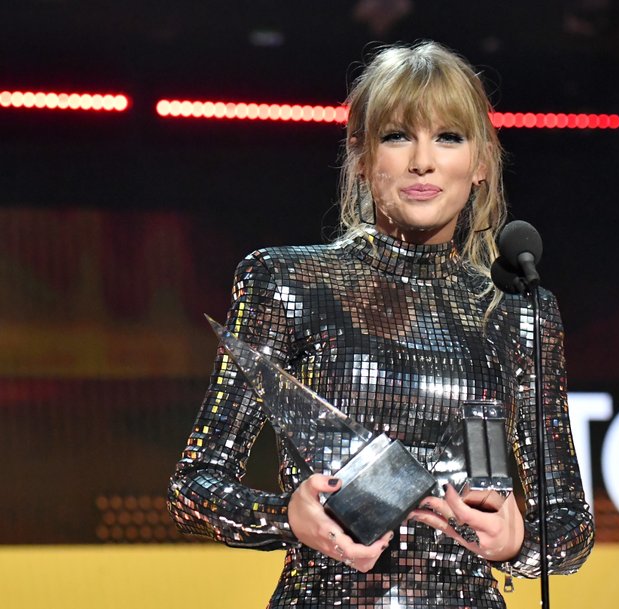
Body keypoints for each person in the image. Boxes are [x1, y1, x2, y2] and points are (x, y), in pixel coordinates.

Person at [168, 40, 594, 608]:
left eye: (448, 137)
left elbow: (569, 526)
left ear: (481, 164)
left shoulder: (520, 310)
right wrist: (288, 516)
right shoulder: (288, 282)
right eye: (397, 136)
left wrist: (519, 541)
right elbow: (194, 488)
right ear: (362, 157)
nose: (423, 160)